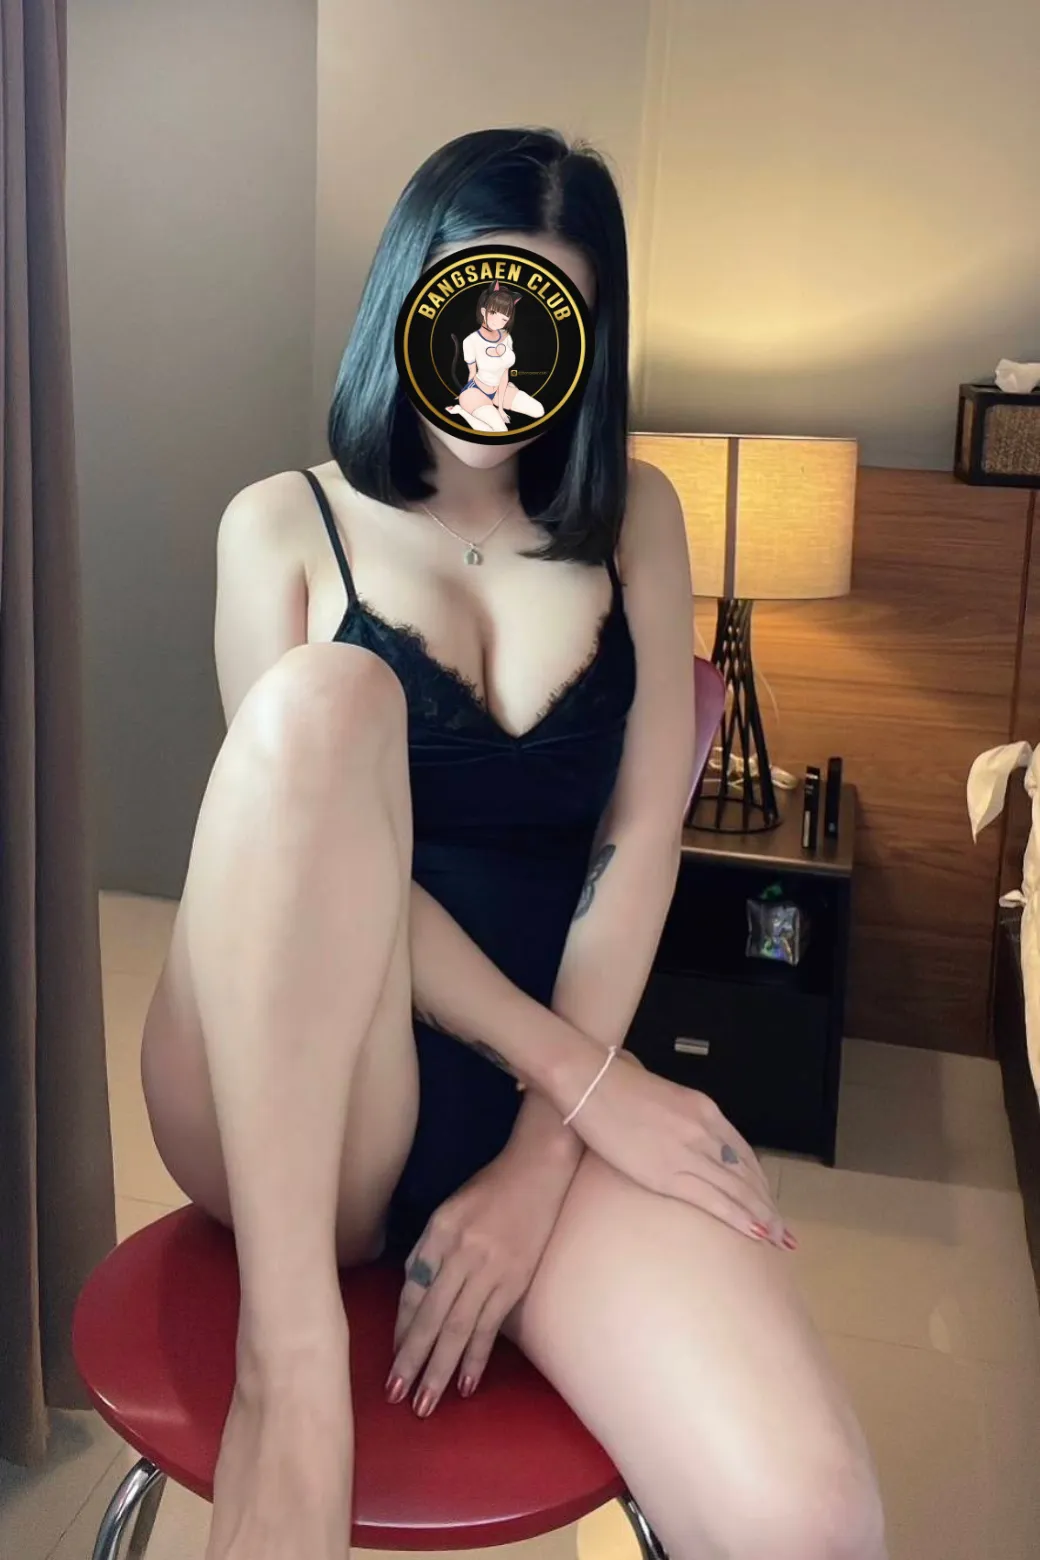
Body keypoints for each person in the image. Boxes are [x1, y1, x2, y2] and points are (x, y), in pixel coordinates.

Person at [139, 127, 888, 1560]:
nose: (502, 353)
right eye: (474, 305)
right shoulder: (279, 524)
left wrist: (548, 1149)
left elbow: (639, 839)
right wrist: (589, 1080)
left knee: (810, 1521)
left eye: (549, 319)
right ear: (407, 304)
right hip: (303, 1088)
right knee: (322, 707)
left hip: (548, 1085)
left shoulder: (638, 519)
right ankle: (288, 1375)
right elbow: (305, 864)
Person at [446, 280, 544, 430]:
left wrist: (501, 409)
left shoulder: (506, 338)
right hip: (475, 392)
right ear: (483, 311)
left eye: (504, 319)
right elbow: (472, 372)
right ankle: (461, 411)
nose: (497, 322)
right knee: (500, 431)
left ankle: (495, 404)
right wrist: (467, 395)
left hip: (499, 390)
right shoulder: (471, 341)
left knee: (539, 411)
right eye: (493, 313)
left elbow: (505, 373)